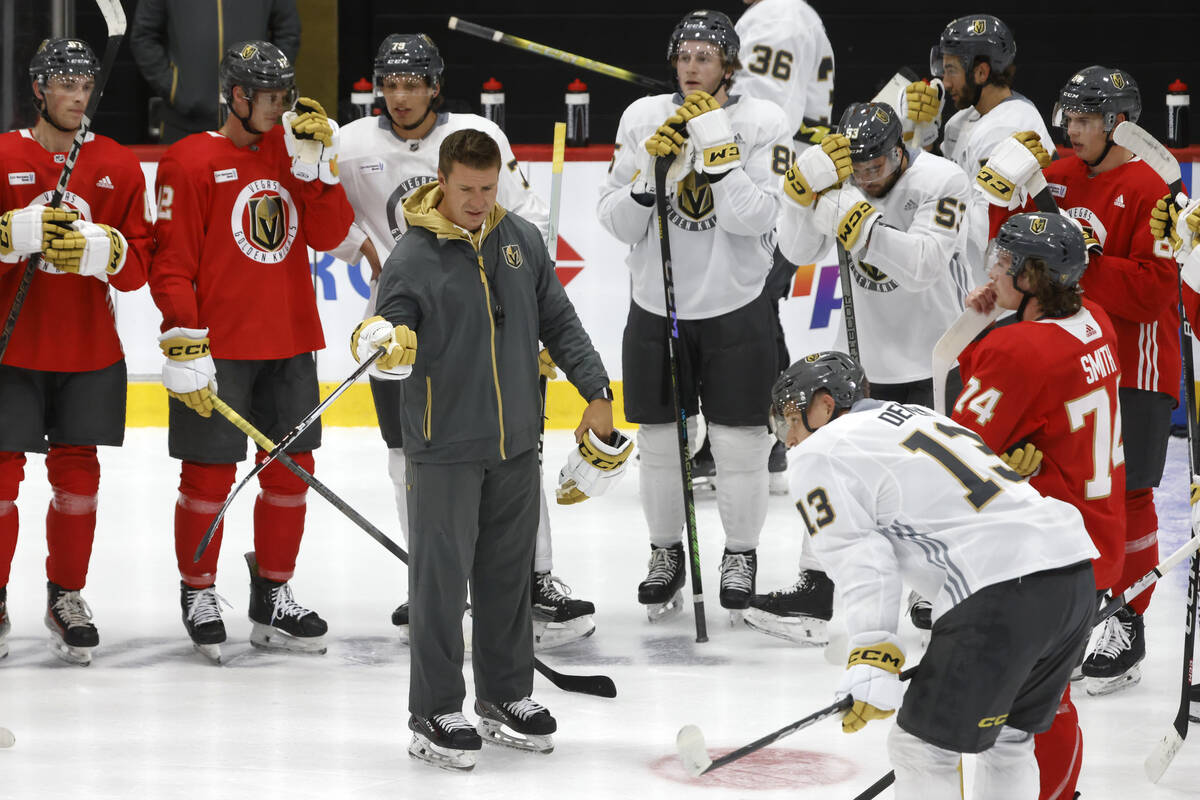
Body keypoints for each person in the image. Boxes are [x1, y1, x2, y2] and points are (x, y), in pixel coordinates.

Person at [353, 128, 617, 770]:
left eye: (488, 189)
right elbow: (383, 334)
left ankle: (505, 698)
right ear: (441, 181)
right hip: (444, 447)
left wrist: (597, 390)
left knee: (507, 582)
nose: (478, 201)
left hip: (516, 445)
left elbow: (560, 321)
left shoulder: (521, 242)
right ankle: (434, 710)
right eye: (466, 189)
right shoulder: (410, 258)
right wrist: (389, 342)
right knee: (439, 588)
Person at [329, 33, 594, 649]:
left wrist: (530, 307)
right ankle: (426, 577)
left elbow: (527, 218)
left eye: (414, 83)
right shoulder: (351, 144)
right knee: (408, 458)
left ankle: (536, 577)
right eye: (390, 84)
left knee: (513, 452)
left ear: (435, 85)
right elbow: (321, 213)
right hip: (402, 333)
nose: (401, 96)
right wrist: (362, 246)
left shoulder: (477, 134)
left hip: (490, 321)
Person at [772, 351, 1097, 800]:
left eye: (792, 417)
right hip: (1071, 573)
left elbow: (860, 556)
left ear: (826, 405)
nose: (789, 437)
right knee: (1009, 742)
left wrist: (871, 649)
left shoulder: (820, 451)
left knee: (922, 751)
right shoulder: (919, 416)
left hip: (998, 587)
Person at [148, 41, 353, 663]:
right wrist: (185, 336)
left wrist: (320, 173)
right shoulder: (187, 161)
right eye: (266, 97)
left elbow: (331, 235)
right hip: (221, 350)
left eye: (283, 96)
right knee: (207, 479)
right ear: (234, 95)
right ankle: (199, 589)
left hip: (290, 342)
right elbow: (172, 265)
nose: (278, 107)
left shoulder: (296, 153)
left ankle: (274, 590)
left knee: (292, 476)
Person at [984, 66, 1176, 696]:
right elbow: (1015, 254)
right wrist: (1004, 202)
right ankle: (1072, 609)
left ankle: (1127, 617)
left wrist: (1081, 260)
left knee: (1132, 494)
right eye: (1067, 117)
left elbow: (1152, 295)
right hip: (1071, 356)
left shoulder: (1152, 187)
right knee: (1065, 487)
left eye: (1085, 120)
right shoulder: (1057, 179)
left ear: (1118, 123)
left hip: (1137, 359)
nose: (1070, 130)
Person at [596, 9, 790, 620]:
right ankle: (665, 553)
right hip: (657, 306)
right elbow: (613, 221)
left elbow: (756, 217)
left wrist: (716, 154)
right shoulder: (643, 119)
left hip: (736, 306)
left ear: (729, 65)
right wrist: (647, 184)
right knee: (658, 442)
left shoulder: (765, 121)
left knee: (740, 444)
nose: (692, 67)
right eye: (684, 56)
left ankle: (740, 554)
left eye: (706, 56)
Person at [752, 100, 971, 643]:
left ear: (901, 149)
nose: (870, 177)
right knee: (826, 462)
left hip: (934, 356)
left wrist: (852, 213)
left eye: (878, 167)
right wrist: (800, 200)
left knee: (929, 479)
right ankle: (816, 585)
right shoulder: (843, 183)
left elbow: (922, 265)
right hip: (859, 358)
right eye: (860, 169)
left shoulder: (943, 180)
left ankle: (934, 585)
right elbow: (798, 251)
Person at [950, 212, 1125, 800]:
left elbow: (955, 451)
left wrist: (987, 332)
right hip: (1093, 533)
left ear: (1033, 276)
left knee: (1030, 704)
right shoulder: (1095, 318)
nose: (993, 269)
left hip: (1043, 557)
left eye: (1006, 263)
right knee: (1048, 693)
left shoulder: (1018, 350)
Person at [0, 38, 151, 666]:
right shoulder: (3, 153)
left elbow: (140, 264)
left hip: (88, 348)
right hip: (13, 344)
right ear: (39, 90)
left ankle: (66, 594)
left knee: (79, 480)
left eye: (85, 86)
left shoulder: (116, 163)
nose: (77, 96)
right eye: (64, 85)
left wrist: (109, 251)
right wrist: (6, 235)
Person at [727, 0, 836, 496]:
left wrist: (716, 112)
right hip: (791, 186)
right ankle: (775, 429)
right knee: (756, 311)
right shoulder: (800, 15)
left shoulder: (776, 15)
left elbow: (763, 109)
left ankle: (767, 430)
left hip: (774, 189)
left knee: (744, 310)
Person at [917, 14, 1052, 285]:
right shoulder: (963, 120)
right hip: (979, 269)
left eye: (952, 70)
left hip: (1010, 279)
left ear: (980, 72)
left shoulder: (1008, 126)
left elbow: (986, 229)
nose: (945, 81)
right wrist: (923, 137)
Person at [130, 0, 300, 143]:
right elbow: (144, 36)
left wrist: (267, 82)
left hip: (250, 119)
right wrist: (174, 89)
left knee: (251, 182)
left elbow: (288, 32)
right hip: (184, 122)